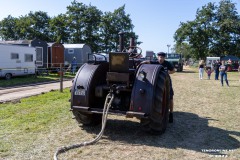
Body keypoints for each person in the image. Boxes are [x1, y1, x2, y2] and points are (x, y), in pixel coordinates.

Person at [140, 52, 175, 123]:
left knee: (170, 97)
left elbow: (174, 70)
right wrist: (142, 62)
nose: (160, 58)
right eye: (159, 57)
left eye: (162, 57)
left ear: (164, 58)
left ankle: (171, 113)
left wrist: (168, 72)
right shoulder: (155, 62)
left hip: (166, 82)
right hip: (156, 82)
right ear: (157, 57)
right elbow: (148, 62)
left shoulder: (167, 63)